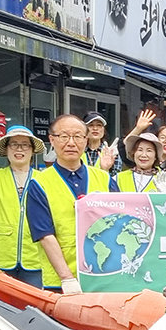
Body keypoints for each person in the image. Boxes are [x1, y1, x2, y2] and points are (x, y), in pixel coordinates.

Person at [26, 114, 119, 292]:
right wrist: (66, 278)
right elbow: (45, 235)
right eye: (64, 136)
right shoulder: (40, 183)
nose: (71, 143)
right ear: (52, 140)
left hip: (104, 276)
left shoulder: (104, 179)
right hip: (60, 283)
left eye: (77, 136)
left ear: (85, 140)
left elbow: (119, 224)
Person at [0, 126, 46, 288]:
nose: (19, 149)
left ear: (32, 150)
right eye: (14, 144)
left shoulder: (43, 179)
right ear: (6, 149)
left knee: (33, 309)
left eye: (25, 145)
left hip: (35, 258)